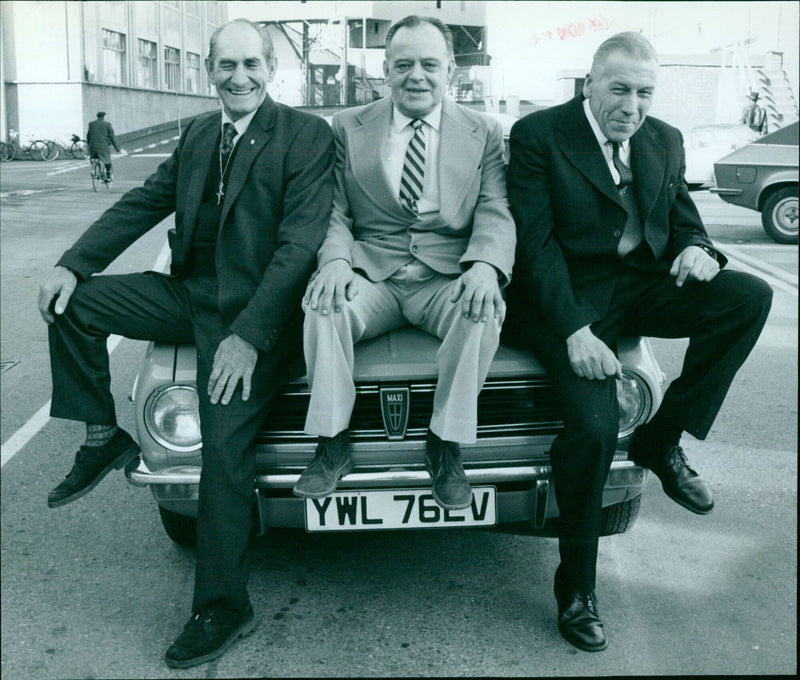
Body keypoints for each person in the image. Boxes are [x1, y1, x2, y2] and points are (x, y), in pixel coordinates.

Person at [37, 19, 334, 668]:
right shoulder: (199, 133)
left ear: (270, 70)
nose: (240, 77)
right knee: (72, 305)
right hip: (193, 297)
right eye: (227, 65)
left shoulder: (307, 137)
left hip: (262, 316)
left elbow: (299, 247)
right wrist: (73, 262)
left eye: (251, 64)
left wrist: (249, 339)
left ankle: (223, 606)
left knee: (223, 447)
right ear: (209, 70)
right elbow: (144, 203)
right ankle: (99, 436)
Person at [504, 32, 772, 653]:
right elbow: (534, 248)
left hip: (640, 287)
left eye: (644, 92)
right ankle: (578, 587)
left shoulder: (664, 139)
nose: (632, 105)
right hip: (562, 301)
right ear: (590, 83)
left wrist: (697, 251)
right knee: (595, 430)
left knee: (747, 296)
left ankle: (660, 438)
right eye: (619, 89)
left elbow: (683, 218)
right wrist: (575, 332)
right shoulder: (541, 135)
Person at [296, 15, 516, 510]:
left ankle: (445, 442)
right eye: (404, 65)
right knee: (322, 305)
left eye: (429, 64)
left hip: (445, 277)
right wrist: (334, 261)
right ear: (386, 71)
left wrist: (484, 266)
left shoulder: (482, 131)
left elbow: (495, 208)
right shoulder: (349, 126)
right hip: (373, 274)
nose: (416, 75)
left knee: (484, 309)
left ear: (450, 70)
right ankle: (332, 443)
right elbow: (335, 208)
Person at [86, 111, 121, 180]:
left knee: (94, 158)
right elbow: (112, 137)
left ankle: (93, 170)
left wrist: (89, 145)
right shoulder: (107, 124)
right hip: (102, 147)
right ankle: (109, 176)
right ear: (104, 117)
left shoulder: (91, 124)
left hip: (92, 146)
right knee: (107, 159)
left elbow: (88, 136)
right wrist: (118, 148)